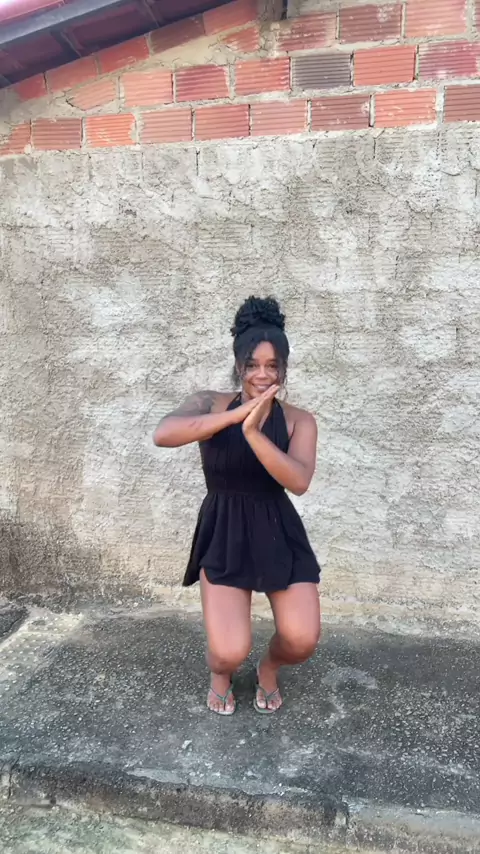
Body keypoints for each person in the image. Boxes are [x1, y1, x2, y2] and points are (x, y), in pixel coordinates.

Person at [153, 296, 321, 716]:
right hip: (224, 528)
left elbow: (298, 481)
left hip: (277, 529)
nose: (262, 374)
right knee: (228, 651)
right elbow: (164, 433)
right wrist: (235, 417)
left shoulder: (299, 420)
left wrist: (254, 433)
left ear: (283, 368)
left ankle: (268, 668)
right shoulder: (209, 403)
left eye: (272, 365)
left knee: (301, 640)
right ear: (238, 365)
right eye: (252, 364)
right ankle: (221, 674)